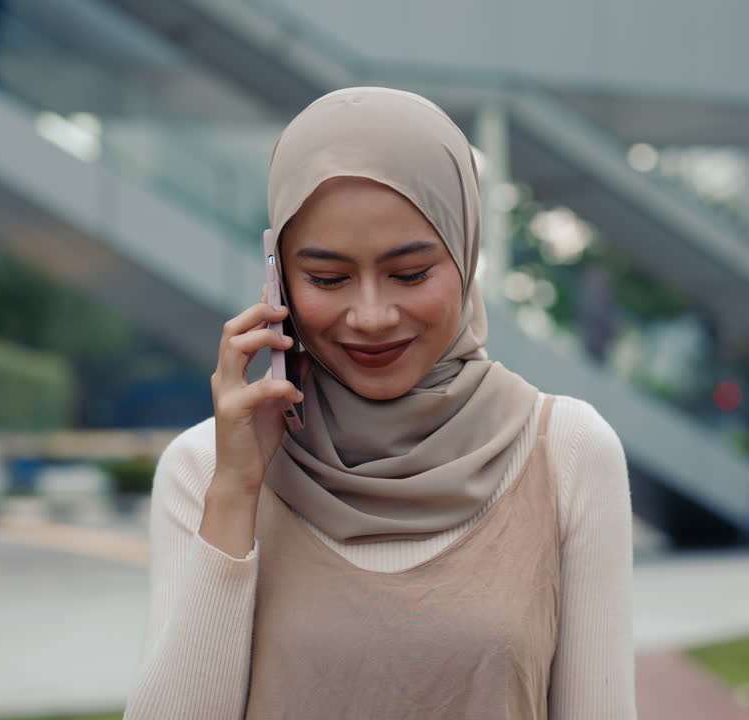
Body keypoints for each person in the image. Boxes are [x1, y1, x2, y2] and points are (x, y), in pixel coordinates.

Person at [123, 87, 636, 719]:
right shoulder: (206, 468)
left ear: (467, 252)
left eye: (411, 273)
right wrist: (235, 491)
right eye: (328, 279)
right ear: (278, 277)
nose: (371, 316)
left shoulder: (566, 452)